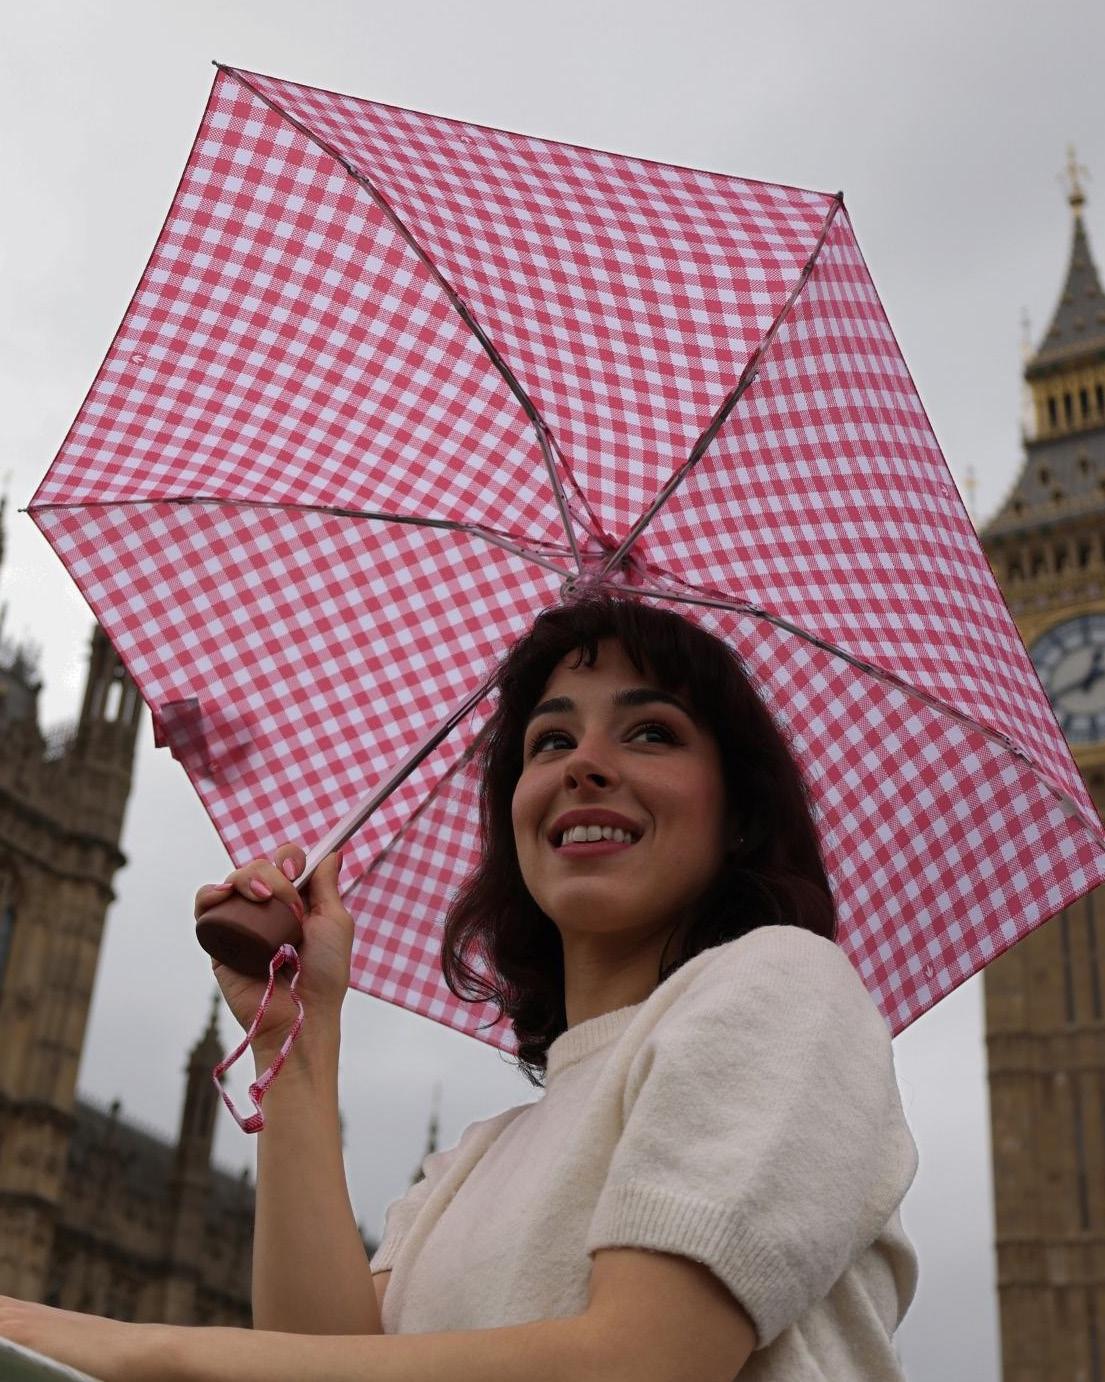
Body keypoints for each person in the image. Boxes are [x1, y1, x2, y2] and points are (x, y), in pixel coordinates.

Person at [0, 596, 918, 1381]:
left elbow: (639, 1363)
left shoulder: (788, 983)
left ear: (740, 815)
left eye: (650, 732)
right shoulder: (469, 1168)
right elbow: (318, 1363)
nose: (584, 763)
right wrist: (295, 1044)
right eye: (549, 739)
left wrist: (138, 1350)